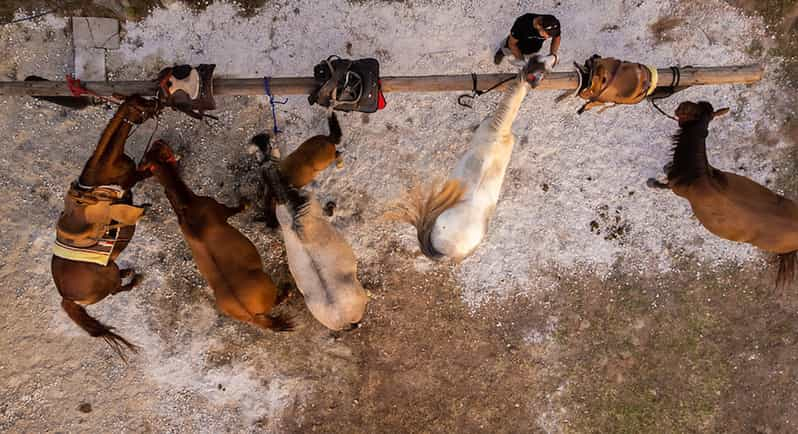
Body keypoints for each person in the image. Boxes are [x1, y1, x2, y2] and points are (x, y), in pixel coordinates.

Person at [494, 14, 561, 66]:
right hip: (516, 45)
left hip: (533, 48)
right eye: (546, 34)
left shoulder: (553, 23)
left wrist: (552, 54)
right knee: (507, 49)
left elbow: (557, 37)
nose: (547, 38)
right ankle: (501, 52)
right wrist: (522, 62)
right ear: (538, 26)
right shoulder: (522, 24)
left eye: (550, 35)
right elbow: (512, 44)